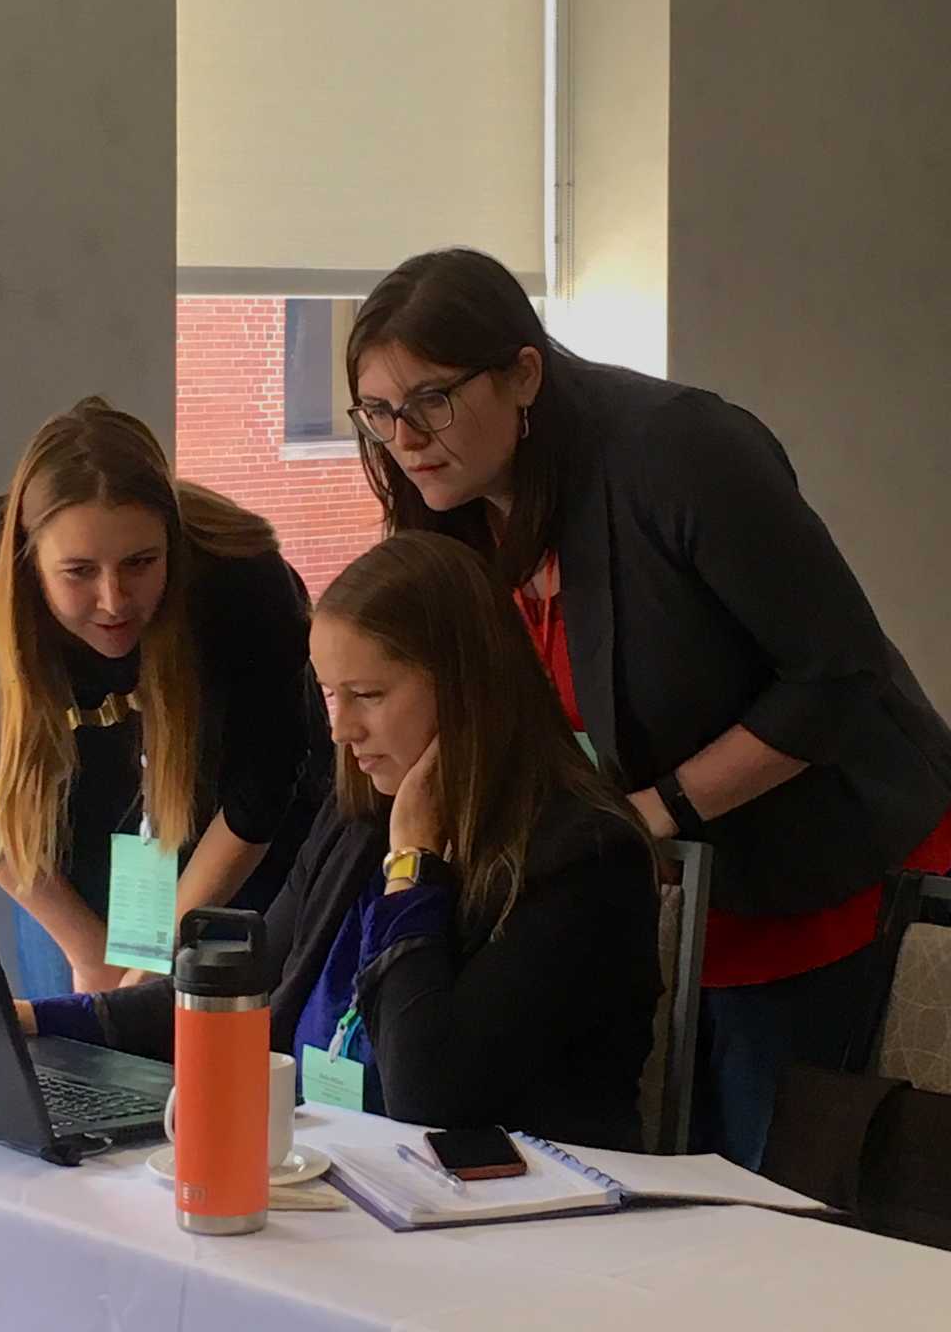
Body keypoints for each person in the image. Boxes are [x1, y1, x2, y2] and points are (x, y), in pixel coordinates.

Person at [340, 247, 951, 1168]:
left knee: (770, 1209)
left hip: (823, 869)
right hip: (654, 898)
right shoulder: (451, 500)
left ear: (524, 374)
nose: (406, 436)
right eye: (380, 411)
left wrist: (646, 817)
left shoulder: (678, 452)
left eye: (433, 399)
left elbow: (836, 676)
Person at [21, 532, 662, 1149]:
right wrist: (46, 1019)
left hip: (512, 1221)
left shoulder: (585, 858)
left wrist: (414, 869)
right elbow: (238, 990)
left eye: (368, 695)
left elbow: (427, 1096)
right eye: (331, 695)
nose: (342, 730)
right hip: (339, 1179)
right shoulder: (359, 821)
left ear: (470, 691)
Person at [0, 397, 330, 998]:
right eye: (78, 572)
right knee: (79, 1065)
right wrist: (89, 953)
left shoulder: (241, 579)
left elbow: (264, 787)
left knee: (222, 1060)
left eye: (140, 563)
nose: (114, 600)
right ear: (29, 559)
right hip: (61, 869)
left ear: (173, 546)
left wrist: (166, 947)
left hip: (235, 857)